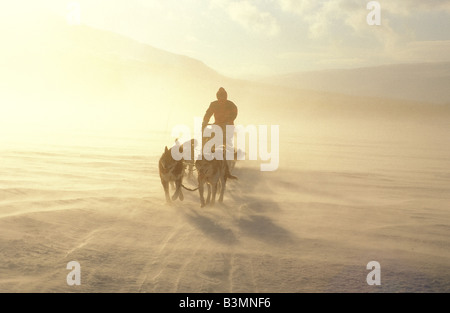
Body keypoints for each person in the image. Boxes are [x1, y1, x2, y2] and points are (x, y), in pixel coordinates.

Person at [202, 87, 238, 152]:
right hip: (217, 124)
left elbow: (234, 113)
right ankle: (204, 151)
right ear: (217, 96)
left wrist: (229, 121)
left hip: (228, 125)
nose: (222, 98)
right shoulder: (214, 104)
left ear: (226, 96)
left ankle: (229, 153)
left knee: (226, 139)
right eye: (220, 96)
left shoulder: (230, 104)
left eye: (223, 96)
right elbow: (208, 113)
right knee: (208, 136)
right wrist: (205, 122)